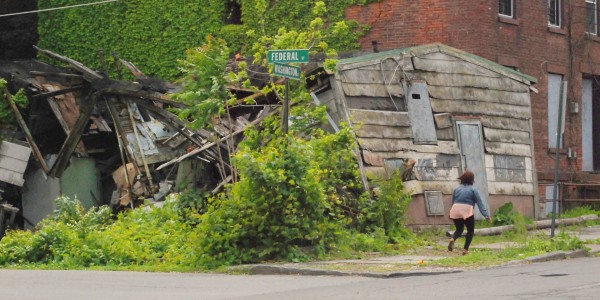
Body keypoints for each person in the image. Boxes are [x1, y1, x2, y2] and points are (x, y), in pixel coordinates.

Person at [448, 170, 491, 255]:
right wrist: (486, 215)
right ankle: (465, 250)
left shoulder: (456, 189)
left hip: (455, 209)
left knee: (459, 230)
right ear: (472, 180)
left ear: (462, 179)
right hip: (467, 210)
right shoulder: (474, 190)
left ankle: (453, 238)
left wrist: (451, 213)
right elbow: (480, 204)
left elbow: (453, 202)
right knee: (470, 230)